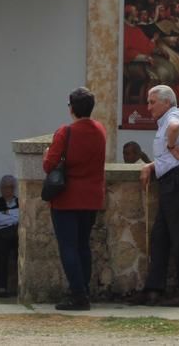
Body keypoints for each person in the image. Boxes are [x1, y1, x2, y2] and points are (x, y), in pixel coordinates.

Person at [131, 84, 179, 307]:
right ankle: (153, 288)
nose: (148, 107)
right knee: (161, 236)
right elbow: (165, 158)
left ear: (166, 102)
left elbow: (175, 127)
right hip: (172, 180)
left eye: (152, 102)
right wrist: (151, 166)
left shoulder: (174, 115)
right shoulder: (167, 118)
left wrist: (170, 146)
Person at [43, 86, 107, 310]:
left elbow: (49, 164)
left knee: (68, 246)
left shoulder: (65, 132)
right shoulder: (100, 130)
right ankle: (83, 290)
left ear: (71, 108)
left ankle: (78, 294)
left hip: (67, 198)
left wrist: (47, 154)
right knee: (82, 246)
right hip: (91, 197)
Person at [0, 175, 20, 298]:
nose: (8, 190)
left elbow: (21, 217)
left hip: (17, 233)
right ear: (1, 189)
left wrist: (6, 214)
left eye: (10, 187)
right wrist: (13, 215)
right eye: (5, 187)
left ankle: (21, 286)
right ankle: (1, 287)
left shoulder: (19, 201)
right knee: (1, 255)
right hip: (2, 235)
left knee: (22, 253)